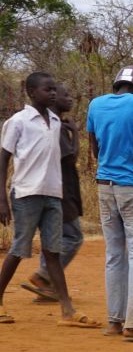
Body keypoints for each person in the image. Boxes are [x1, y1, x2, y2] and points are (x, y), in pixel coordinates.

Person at [0, 73, 100, 328]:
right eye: (48, 89)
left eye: (55, 89)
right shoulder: (18, 121)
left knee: (53, 252)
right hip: (26, 193)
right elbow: (3, 159)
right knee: (19, 249)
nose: (53, 94)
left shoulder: (55, 121)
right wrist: (2, 197)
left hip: (53, 194)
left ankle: (67, 310)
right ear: (32, 92)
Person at [86, 65, 133, 342]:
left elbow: (95, 150)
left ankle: (114, 322)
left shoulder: (95, 104)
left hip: (105, 186)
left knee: (114, 254)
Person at [20, 83, 84, 303]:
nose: (69, 99)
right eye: (64, 95)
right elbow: (71, 157)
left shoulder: (52, 124)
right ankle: (45, 277)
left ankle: (48, 287)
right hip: (59, 189)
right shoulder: (55, 126)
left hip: (57, 187)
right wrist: (75, 132)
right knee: (73, 236)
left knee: (54, 237)